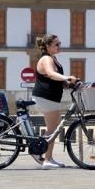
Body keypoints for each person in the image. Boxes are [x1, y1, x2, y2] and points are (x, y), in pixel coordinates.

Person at [32, 34, 77, 169]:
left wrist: (66, 83)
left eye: (59, 43)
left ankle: (47, 156)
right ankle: (46, 160)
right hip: (46, 97)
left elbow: (53, 78)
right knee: (52, 129)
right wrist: (67, 77)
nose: (59, 46)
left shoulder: (53, 58)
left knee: (54, 128)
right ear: (47, 46)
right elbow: (51, 74)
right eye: (56, 44)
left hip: (51, 97)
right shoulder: (46, 59)